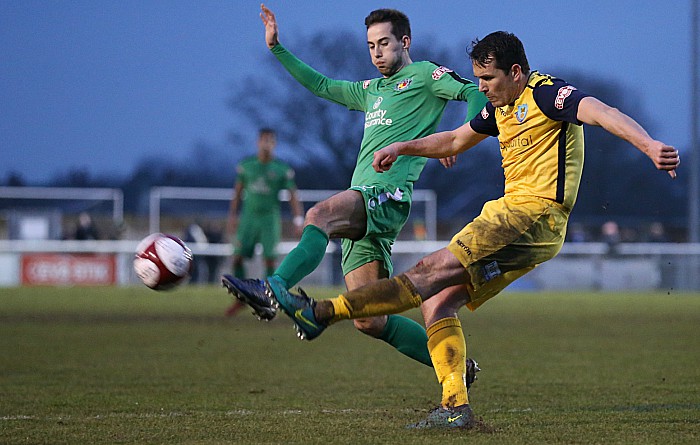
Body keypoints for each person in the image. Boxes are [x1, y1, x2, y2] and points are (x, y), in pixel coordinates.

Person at [262, 31, 680, 428]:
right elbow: (454, 141)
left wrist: (649, 147)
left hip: (530, 216)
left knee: (427, 274)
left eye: (488, 78)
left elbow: (603, 113)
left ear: (515, 72)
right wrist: (401, 146)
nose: (481, 87)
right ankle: (455, 408)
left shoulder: (548, 94)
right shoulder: (498, 106)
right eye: (478, 78)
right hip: (523, 226)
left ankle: (321, 313)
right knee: (438, 303)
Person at [222, 4, 487, 378]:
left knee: (318, 216)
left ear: (405, 42)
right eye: (370, 46)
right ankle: (459, 369)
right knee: (370, 321)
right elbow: (322, 85)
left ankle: (274, 288)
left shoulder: (426, 75)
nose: (377, 53)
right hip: (366, 200)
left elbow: (473, 95)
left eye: (384, 43)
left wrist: (458, 140)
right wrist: (277, 48)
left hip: (386, 194)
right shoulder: (371, 90)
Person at [224, 127, 304, 316]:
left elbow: (293, 194)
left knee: (269, 259)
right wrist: (232, 216)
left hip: (269, 219)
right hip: (248, 219)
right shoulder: (247, 165)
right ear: (258, 142)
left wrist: (298, 219)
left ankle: (266, 299)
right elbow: (237, 192)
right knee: (237, 257)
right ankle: (241, 297)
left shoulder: (281, 169)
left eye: (270, 141)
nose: (266, 144)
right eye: (263, 140)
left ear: (274, 144)